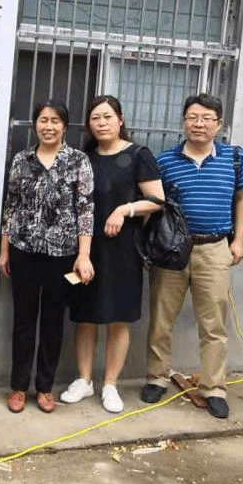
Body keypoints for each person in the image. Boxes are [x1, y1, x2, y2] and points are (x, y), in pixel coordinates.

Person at [143, 94, 243, 419]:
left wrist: (239, 241)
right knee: (161, 319)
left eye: (206, 118)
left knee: (214, 324)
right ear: (184, 122)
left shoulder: (234, 157)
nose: (199, 124)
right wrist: (149, 247)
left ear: (219, 124)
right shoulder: (165, 160)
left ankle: (214, 388)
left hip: (215, 248)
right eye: (192, 117)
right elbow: (153, 204)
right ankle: (156, 378)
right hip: (172, 250)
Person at [64, 96, 164, 414]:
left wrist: (125, 209)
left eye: (108, 116)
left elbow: (157, 200)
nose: (102, 123)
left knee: (118, 318)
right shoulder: (84, 158)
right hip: (84, 248)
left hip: (123, 249)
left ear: (120, 119)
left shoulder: (138, 155)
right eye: (95, 117)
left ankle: (110, 384)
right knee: (85, 316)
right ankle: (84, 380)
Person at [0, 101, 94, 414]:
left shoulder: (78, 161)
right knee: (23, 321)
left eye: (54, 121)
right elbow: (11, 207)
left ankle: (44, 387)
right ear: (35, 123)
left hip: (62, 255)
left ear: (64, 126)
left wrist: (83, 255)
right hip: (24, 250)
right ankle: (18, 386)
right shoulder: (21, 160)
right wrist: (4, 250)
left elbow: (85, 210)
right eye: (42, 120)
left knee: (53, 322)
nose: (48, 126)